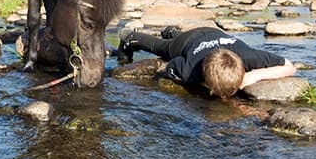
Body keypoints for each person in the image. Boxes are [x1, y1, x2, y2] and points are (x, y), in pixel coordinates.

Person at [117, 26, 295, 98]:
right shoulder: (190, 71)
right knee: (161, 47)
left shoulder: (249, 56)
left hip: (212, 32)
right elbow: (170, 67)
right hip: (185, 42)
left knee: (175, 37)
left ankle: (171, 31)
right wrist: (198, 84)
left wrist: (254, 76)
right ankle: (130, 36)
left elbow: (289, 66)